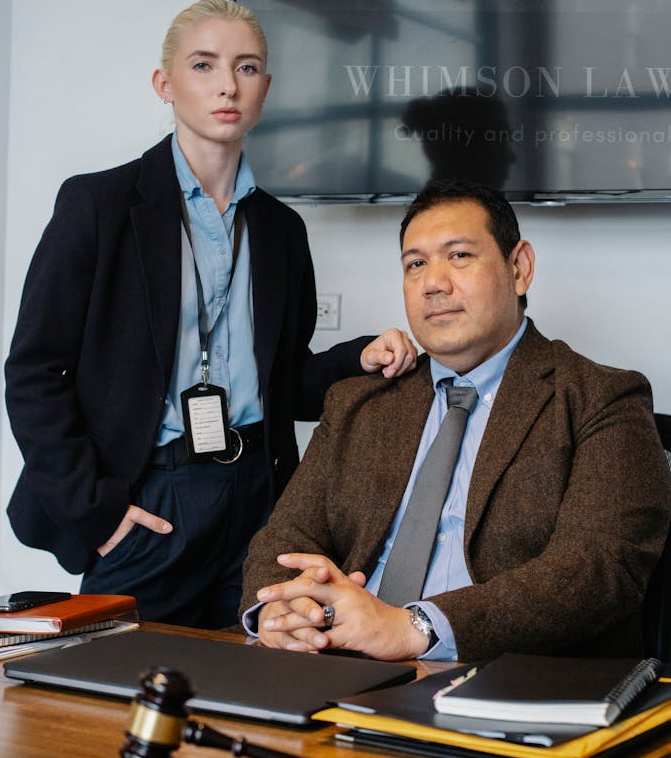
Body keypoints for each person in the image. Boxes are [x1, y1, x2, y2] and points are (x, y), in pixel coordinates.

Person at [4, 0, 416, 629]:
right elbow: (33, 374)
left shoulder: (281, 229)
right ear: (164, 84)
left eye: (247, 68)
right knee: (116, 696)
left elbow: (284, 386)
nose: (228, 84)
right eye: (204, 65)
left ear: (266, 88)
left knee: (257, 687)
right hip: (152, 499)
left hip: (260, 498)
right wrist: (98, 513)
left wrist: (356, 358)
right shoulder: (98, 205)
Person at [240, 178, 671, 661]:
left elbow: (599, 569)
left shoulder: (601, 398)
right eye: (415, 264)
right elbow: (283, 539)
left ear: (519, 268)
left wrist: (413, 627)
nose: (433, 283)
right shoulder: (359, 401)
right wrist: (285, 611)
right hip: (339, 664)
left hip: (504, 678)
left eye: (460, 256)